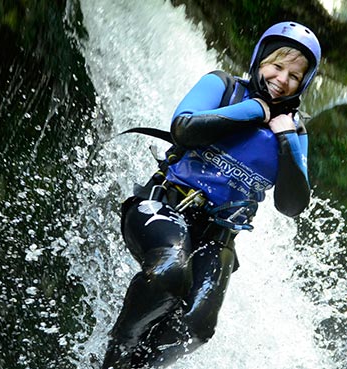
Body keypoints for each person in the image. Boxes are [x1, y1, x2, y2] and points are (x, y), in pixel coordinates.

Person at [102, 21, 321, 369]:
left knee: (198, 327)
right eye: (277, 66)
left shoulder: (295, 131)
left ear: (303, 84)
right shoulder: (224, 86)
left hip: (217, 238)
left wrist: (285, 138)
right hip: (163, 206)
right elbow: (184, 128)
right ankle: (115, 357)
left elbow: (292, 205)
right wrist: (254, 111)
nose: (282, 80)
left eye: (295, 76)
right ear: (260, 60)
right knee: (170, 273)